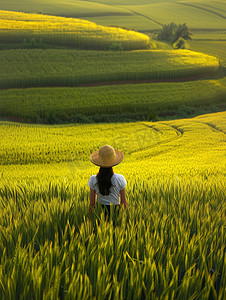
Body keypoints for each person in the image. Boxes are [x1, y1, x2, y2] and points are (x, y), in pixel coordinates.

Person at [88, 145, 127, 219]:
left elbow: (92, 204)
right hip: (116, 213)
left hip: (100, 214)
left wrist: (89, 218)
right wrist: (123, 219)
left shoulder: (93, 179)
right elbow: (124, 203)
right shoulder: (120, 179)